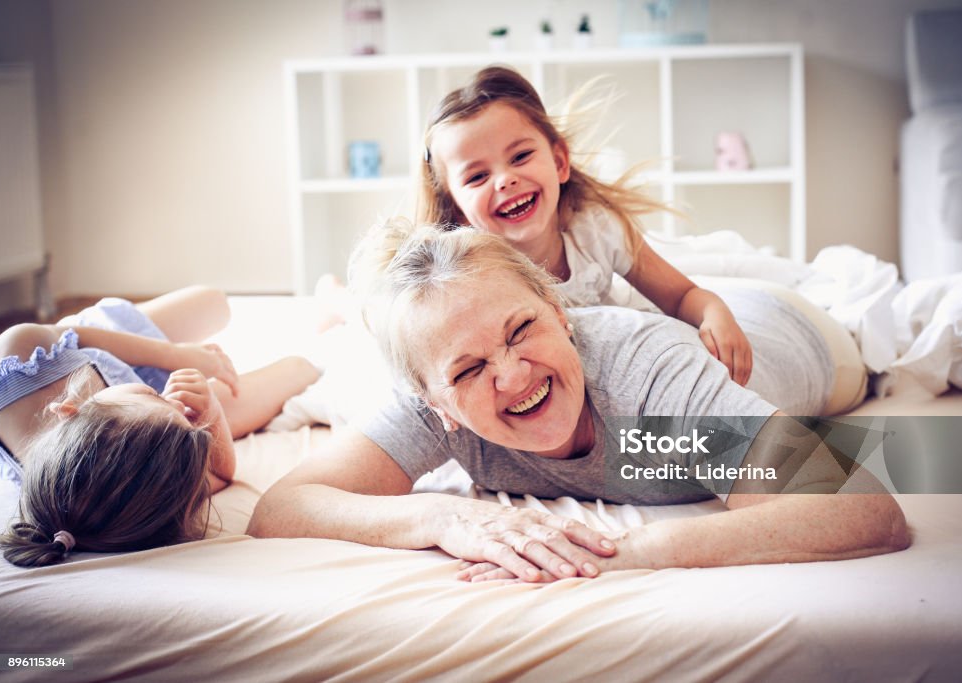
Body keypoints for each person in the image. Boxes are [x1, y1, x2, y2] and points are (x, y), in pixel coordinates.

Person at [248, 221, 909, 584]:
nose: (510, 375)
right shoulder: (429, 397)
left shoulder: (646, 377)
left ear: (562, 314)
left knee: (768, 274)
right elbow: (282, 506)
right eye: (472, 368)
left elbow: (865, 508)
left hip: (809, 338)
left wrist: (626, 552)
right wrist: (440, 518)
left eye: (522, 330)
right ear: (434, 401)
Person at [419, 66, 754, 386]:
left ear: (560, 162)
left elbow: (682, 296)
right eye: (478, 177)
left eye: (520, 157)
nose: (506, 180)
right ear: (458, 211)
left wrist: (714, 312)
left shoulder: (595, 230)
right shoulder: (473, 282)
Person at [0, 287, 320, 567]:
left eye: (154, 394)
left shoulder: (18, 352)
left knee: (212, 302)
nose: (178, 403)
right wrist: (210, 411)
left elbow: (71, 336)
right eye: (186, 426)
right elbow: (221, 475)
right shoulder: (134, 484)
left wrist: (174, 355)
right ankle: (329, 313)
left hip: (101, 350)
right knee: (298, 369)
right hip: (142, 418)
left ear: (70, 410)